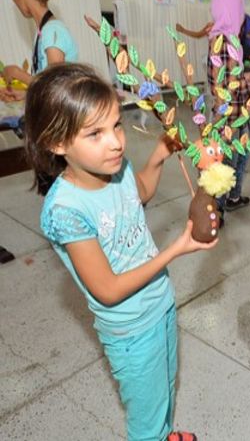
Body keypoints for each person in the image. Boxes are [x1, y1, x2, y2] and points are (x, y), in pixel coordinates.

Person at [25, 64, 214, 441]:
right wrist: (176, 248)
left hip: (159, 304)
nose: (115, 141)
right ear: (56, 143)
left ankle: (164, 432)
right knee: (144, 417)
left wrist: (159, 155)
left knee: (164, 385)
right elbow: (108, 289)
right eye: (95, 133)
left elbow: (139, 191)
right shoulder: (68, 210)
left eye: (116, 124)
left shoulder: (114, 167)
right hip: (130, 329)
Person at [205, 0, 250, 219]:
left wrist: (246, 77)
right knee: (227, 161)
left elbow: (230, 77)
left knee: (242, 154)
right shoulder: (224, 41)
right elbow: (225, 88)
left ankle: (233, 197)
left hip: (238, 113)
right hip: (230, 115)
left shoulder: (228, 39)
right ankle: (217, 209)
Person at [2, 0, 77, 102]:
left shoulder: (52, 31)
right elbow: (47, 88)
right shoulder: (44, 31)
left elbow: (55, 87)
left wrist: (18, 73)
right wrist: (25, 95)